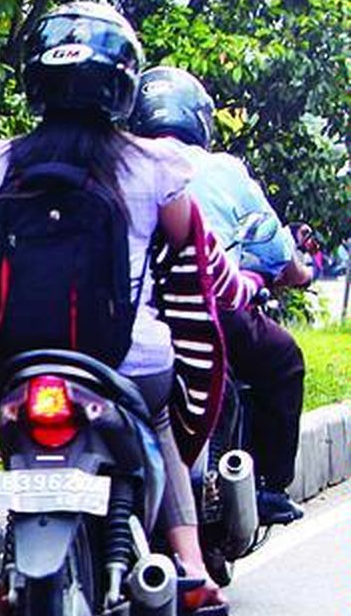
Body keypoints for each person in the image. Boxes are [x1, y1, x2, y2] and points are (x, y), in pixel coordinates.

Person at [0, 2, 228, 607]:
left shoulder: (0, 163)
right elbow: (189, 254)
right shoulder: (153, 165)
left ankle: (11, 577)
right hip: (127, 364)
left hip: (20, 363)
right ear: (122, 85)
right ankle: (188, 565)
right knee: (160, 426)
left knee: (20, 438)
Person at [129, 66, 306, 524]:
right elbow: (273, 255)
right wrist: (295, 273)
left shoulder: (117, 162)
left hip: (129, 313)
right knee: (284, 360)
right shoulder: (220, 170)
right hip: (204, 308)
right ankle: (268, 487)